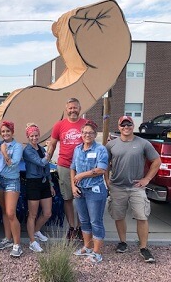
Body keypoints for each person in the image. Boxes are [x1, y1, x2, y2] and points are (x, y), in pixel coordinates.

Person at [105, 116, 161, 263]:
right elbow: (104, 163)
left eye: (128, 124)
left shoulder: (143, 143)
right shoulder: (111, 145)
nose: (126, 127)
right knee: (119, 216)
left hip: (136, 187)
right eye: (123, 125)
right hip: (117, 187)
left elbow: (157, 161)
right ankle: (122, 242)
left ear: (133, 125)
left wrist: (147, 179)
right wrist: (107, 181)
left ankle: (143, 248)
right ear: (119, 126)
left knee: (142, 216)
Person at [47, 97, 87, 240]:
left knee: (83, 197)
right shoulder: (59, 125)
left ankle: (83, 227)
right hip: (64, 165)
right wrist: (46, 159)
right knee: (67, 198)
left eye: (75, 107)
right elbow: (52, 144)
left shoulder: (86, 124)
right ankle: (72, 227)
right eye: (70, 108)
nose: (72, 110)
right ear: (66, 109)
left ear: (80, 109)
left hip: (83, 167)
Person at [71, 120, 108, 263]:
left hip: (95, 191)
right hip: (80, 191)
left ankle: (97, 252)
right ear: (81, 134)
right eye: (85, 132)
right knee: (84, 220)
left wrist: (82, 175)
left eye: (90, 133)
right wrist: (74, 185)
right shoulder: (77, 149)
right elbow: (72, 167)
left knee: (95, 221)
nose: (87, 135)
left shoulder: (100, 150)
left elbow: (101, 169)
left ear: (95, 134)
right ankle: (87, 247)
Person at [23, 123, 55, 253]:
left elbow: (46, 168)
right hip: (33, 183)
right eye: (32, 136)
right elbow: (41, 162)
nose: (34, 138)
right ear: (28, 136)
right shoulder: (28, 150)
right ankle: (32, 241)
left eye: (36, 135)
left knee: (47, 213)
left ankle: (36, 230)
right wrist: (51, 148)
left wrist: (51, 184)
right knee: (33, 214)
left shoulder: (41, 149)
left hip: (44, 182)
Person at [0, 121, 23, 257]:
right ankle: (8, 239)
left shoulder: (17, 146)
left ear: (12, 132)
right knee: (5, 211)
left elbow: (13, 164)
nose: (5, 133)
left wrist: (5, 153)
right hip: (0, 181)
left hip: (12, 180)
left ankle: (17, 245)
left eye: (8, 131)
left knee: (11, 213)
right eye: (3, 131)